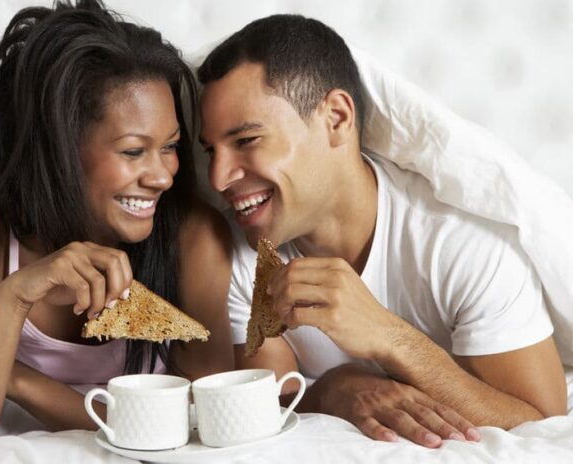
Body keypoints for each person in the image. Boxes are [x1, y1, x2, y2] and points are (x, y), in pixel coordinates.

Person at [197, 14, 567, 448]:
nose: (219, 179)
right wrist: (332, 389)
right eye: (211, 151)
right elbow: (273, 397)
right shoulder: (243, 257)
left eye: (246, 141)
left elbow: (543, 423)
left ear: (336, 118)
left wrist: (390, 337)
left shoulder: (460, 242)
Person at [0, 0, 233, 451]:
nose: (163, 176)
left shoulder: (193, 237)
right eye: (132, 151)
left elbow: (206, 423)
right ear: (59, 151)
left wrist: (18, 379)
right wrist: (14, 299)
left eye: (170, 146)